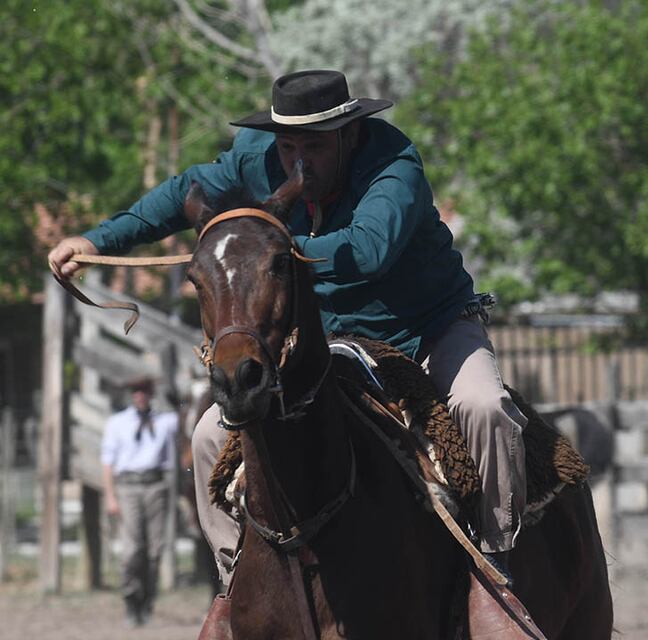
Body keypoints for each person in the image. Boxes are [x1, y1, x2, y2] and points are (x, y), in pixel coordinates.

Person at [49, 69, 527, 587]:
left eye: (314, 145)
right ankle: (236, 582)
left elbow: (368, 252)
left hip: (428, 329)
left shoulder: (395, 167)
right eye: (289, 143)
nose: (298, 160)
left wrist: (269, 248)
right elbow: (178, 194)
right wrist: (98, 241)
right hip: (331, 337)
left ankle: (496, 565)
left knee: (484, 407)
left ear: (348, 134)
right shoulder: (255, 157)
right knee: (209, 435)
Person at [100, 376, 179, 627]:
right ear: (131, 395)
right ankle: (131, 600)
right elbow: (107, 462)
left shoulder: (166, 422)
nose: (140, 395)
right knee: (133, 549)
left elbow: (188, 422)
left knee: (156, 550)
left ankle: (148, 601)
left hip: (156, 485)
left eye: (144, 390)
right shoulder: (117, 423)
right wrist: (110, 495)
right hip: (128, 487)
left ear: (151, 393)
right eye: (135, 391)